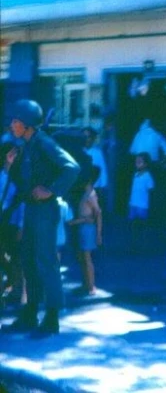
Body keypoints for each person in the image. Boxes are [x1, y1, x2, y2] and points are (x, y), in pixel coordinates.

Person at [1, 100, 80, 338]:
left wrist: (52, 190)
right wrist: (9, 164)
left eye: (16, 121)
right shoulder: (25, 146)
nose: (12, 125)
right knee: (29, 259)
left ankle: (53, 316)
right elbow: (21, 181)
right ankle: (31, 311)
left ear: (27, 124)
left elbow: (72, 167)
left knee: (45, 260)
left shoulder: (44, 143)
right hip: (31, 210)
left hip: (45, 210)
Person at [68, 166, 103, 295]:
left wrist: (98, 234)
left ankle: (91, 285)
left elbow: (98, 213)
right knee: (82, 257)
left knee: (87, 258)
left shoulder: (91, 194)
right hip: (83, 227)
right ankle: (86, 283)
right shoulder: (85, 193)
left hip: (88, 229)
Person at [1, 142, 25, 304]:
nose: (13, 158)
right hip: (6, 220)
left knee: (15, 257)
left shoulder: (20, 176)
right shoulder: (4, 176)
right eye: (10, 155)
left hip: (12, 223)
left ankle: (14, 287)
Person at [128, 153, 154, 253]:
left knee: (142, 225)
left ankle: (143, 246)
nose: (137, 164)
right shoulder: (135, 175)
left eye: (140, 162)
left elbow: (151, 190)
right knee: (133, 225)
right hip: (133, 203)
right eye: (136, 162)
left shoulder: (147, 177)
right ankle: (134, 245)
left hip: (142, 205)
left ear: (146, 164)